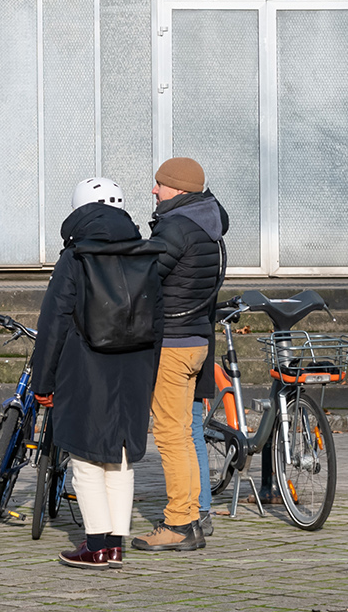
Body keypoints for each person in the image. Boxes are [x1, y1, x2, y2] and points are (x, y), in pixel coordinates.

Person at [27, 178, 162, 568]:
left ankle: (95, 545)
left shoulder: (76, 257)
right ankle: (116, 544)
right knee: (121, 458)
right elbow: (159, 320)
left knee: (85, 459)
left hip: (85, 366)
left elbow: (54, 322)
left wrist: (43, 380)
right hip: (135, 366)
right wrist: (149, 373)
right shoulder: (146, 252)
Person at [132, 156, 227, 553]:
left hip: (171, 344)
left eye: (159, 184)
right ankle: (189, 518)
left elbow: (143, 276)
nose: (154, 190)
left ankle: (177, 524)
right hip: (196, 342)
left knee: (170, 436)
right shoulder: (208, 227)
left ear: (178, 188)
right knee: (185, 435)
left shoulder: (175, 227)